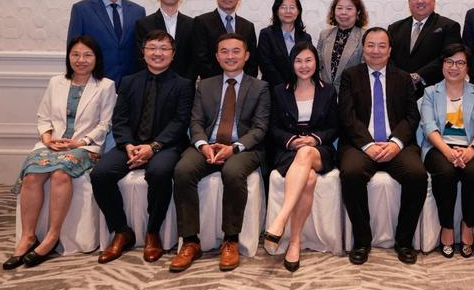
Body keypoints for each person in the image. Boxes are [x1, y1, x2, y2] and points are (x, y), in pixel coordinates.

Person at [3, 36, 116, 270]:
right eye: (76, 54)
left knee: (60, 174)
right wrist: (48, 139)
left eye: (88, 55)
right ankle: (28, 236)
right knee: (32, 174)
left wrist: (79, 142)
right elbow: (43, 117)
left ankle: (52, 236)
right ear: (68, 57)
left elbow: (105, 124)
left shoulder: (106, 85)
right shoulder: (56, 82)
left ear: (96, 58)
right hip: (52, 144)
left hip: (84, 146)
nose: (81, 60)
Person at [90, 30, 194, 264]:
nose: (158, 53)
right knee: (100, 174)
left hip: (166, 146)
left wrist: (153, 147)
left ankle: (153, 232)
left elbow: (180, 122)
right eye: (152, 48)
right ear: (143, 52)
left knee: (159, 172)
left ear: (173, 54)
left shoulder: (184, 85)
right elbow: (120, 119)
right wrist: (128, 145)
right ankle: (121, 230)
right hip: (130, 144)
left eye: (164, 48)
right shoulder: (129, 81)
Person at [170, 33, 270, 273]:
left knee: (233, 172)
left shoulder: (260, 87)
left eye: (236, 51)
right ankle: (190, 241)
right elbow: (195, 121)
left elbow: (260, 128)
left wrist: (234, 148)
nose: (230, 56)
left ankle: (231, 240)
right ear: (216, 56)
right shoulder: (204, 85)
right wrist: (203, 144)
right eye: (224, 51)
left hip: (243, 147)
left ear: (247, 56)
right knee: (183, 170)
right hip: (209, 144)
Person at [337, 27, 427, 265]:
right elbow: (347, 116)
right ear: (363, 49)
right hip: (359, 144)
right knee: (351, 173)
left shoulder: (403, 78)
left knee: (417, 175)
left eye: (381, 46)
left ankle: (404, 241)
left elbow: (412, 117)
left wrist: (396, 143)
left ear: (389, 50)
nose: (375, 51)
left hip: (396, 143)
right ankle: (362, 241)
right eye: (370, 45)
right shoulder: (350, 76)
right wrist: (367, 145)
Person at [263, 42, 338, 272]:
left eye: (308, 60)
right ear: (291, 63)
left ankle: (280, 219)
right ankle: (294, 242)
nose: (303, 66)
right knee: (309, 179)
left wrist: (314, 139)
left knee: (306, 153)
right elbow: (273, 127)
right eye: (298, 61)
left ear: (316, 63)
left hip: (319, 150)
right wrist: (291, 140)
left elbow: (334, 127)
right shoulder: (279, 90)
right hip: (288, 150)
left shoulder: (328, 90)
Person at [419, 43, 474, 258]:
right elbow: (429, 126)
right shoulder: (431, 92)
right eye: (449, 62)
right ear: (442, 64)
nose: (454, 67)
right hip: (438, 146)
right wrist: (447, 151)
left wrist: (471, 150)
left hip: (472, 147)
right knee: (445, 172)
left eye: (460, 63)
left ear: (467, 67)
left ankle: (468, 226)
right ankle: (447, 227)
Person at [67, 0, 146, 86]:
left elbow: (142, 50)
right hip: (95, 81)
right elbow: (73, 49)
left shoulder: (138, 11)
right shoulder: (81, 10)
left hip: (131, 83)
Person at [388, 0, 462, 97]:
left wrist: (418, 76)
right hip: (398, 91)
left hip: (434, 91)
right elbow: (388, 58)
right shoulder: (395, 28)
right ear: (409, 2)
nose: (420, 1)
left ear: (433, 0)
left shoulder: (449, 26)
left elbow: (449, 58)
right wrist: (401, 78)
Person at [193, 0, 258, 79]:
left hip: (243, 85)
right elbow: (200, 58)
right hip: (212, 83)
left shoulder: (248, 26)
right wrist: (222, 83)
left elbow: (252, 62)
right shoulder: (201, 22)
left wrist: (243, 83)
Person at [135, 0, 196, 82]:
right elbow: (141, 57)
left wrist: (187, 81)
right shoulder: (144, 24)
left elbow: (194, 59)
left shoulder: (192, 24)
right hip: (153, 83)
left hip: (184, 83)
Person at [258, 0, 313, 88]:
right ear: (276, 11)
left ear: (298, 11)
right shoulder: (266, 34)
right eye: (283, 7)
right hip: (273, 90)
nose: (288, 11)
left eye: (292, 7)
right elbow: (266, 65)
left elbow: (308, 64)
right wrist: (284, 88)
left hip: (299, 89)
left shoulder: (305, 38)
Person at [316, 0, 367, 94]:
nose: (343, 12)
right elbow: (317, 65)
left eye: (349, 8)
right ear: (334, 11)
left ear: (358, 12)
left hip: (351, 94)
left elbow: (365, 70)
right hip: (324, 93)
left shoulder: (365, 36)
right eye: (339, 8)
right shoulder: (324, 35)